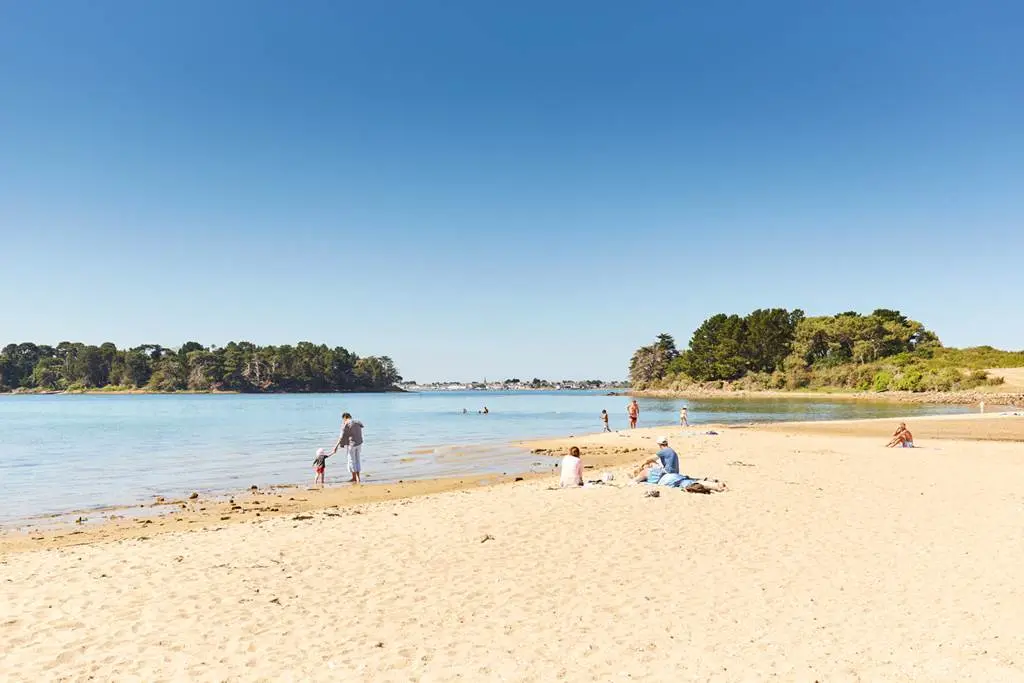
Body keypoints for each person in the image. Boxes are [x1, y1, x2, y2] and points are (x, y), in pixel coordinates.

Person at [332, 412, 365, 483]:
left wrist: (336, 446)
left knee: (351, 461)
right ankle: (358, 477)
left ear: (344, 417)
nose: (343, 421)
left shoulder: (345, 424)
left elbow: (341, 436)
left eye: (343, 419)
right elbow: (362, 426)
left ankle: (354, 478)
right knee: (357, 460)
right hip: (359, 443)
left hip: (352, 445)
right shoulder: (357, 421)